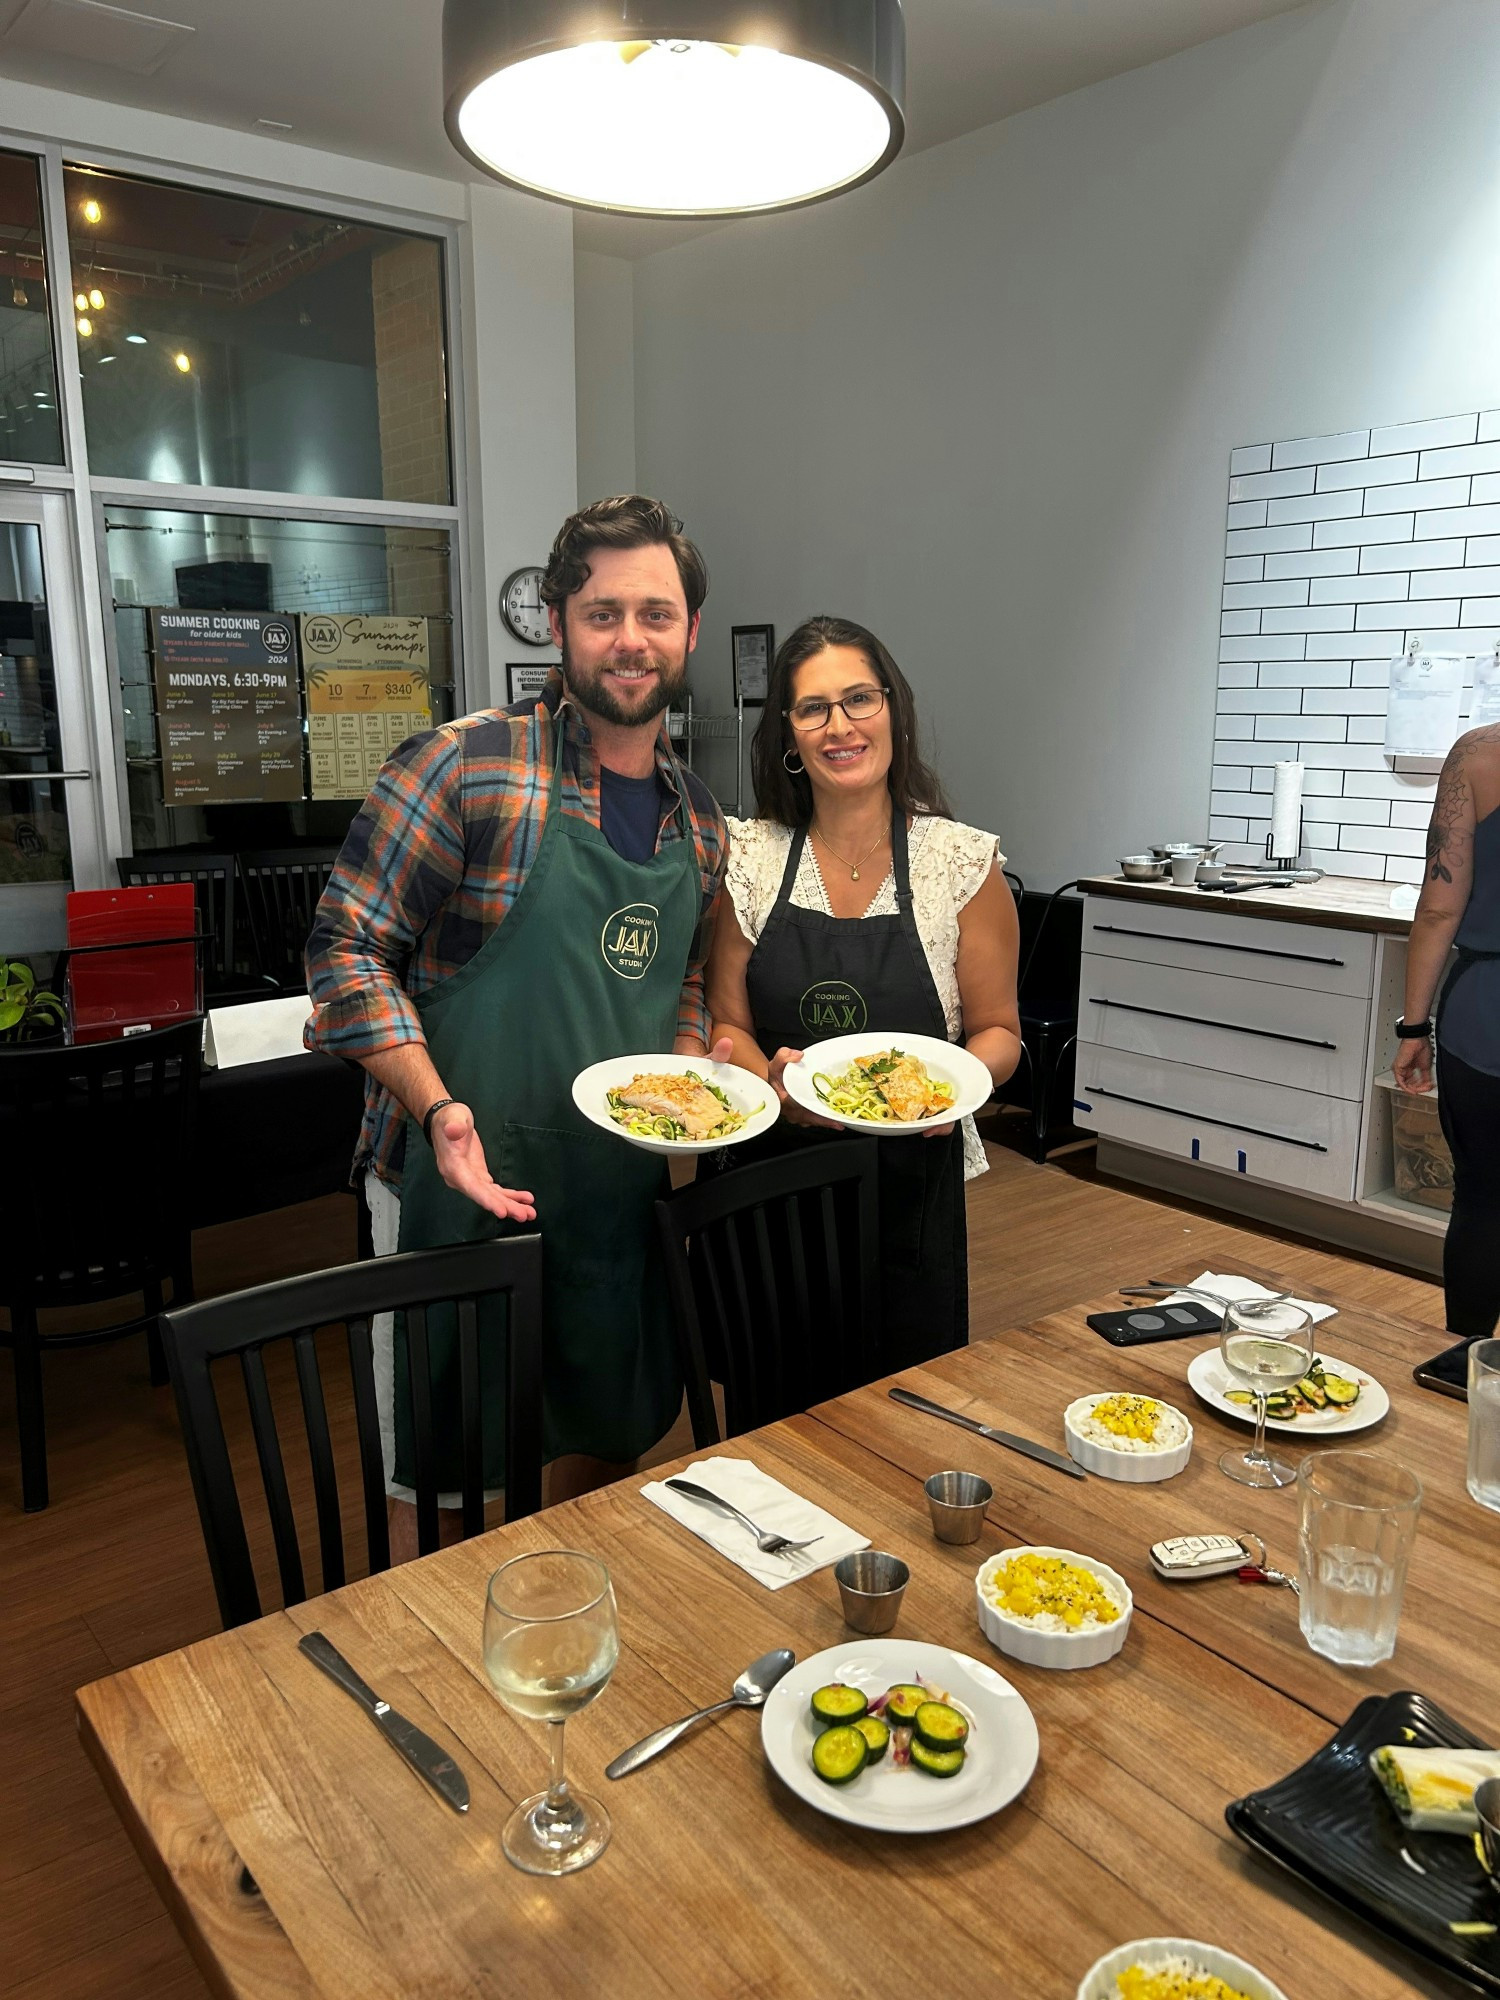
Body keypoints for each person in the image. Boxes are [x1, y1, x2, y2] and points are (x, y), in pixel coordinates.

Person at [305, 495, 729, 1544]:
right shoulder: (464, 765)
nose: (631, 639)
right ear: (556, 622)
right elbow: (344, 950)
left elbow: (679, 981)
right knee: (449, 1487)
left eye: (657, 613)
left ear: (691, 632)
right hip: (454, 1184)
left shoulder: (704, 822)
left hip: (613, 1193)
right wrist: (437, 1103)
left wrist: (688, 1072)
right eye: (603, 612)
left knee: (605, 1446)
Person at [706, 615, 1022, 1367]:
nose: (838, 726)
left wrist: (955, 1092)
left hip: (909, 1189)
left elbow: (999, 1032)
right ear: (788, 734)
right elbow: (728, 1021)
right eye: (812, 708)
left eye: (859, 700)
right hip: (772, 1184)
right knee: (772, 1418)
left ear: (893, 711)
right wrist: (776, 1084)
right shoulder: (749, 858)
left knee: (900, 1418)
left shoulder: (962, 863)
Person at [1394, 721, 1500, 1340]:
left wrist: (1413, 1026)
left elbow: (1439, 905)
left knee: (1486, 1199)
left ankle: (1465, 1365)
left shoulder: (1481, 754)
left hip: (1486, 1014)